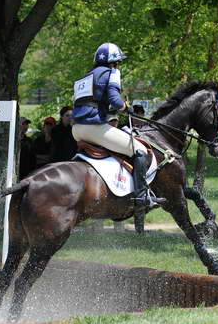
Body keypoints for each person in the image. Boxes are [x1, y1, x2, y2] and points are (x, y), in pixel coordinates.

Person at [71, 42, 165, 233]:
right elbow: (114, 99)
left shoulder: (85, 77)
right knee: (139, 150)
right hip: (93, 128)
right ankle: (142, 197)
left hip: (76, 129)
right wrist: (126, 108)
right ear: (114, 63)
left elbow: (96, 102)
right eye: (118, 63)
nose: (119, 66)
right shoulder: (112, 73)